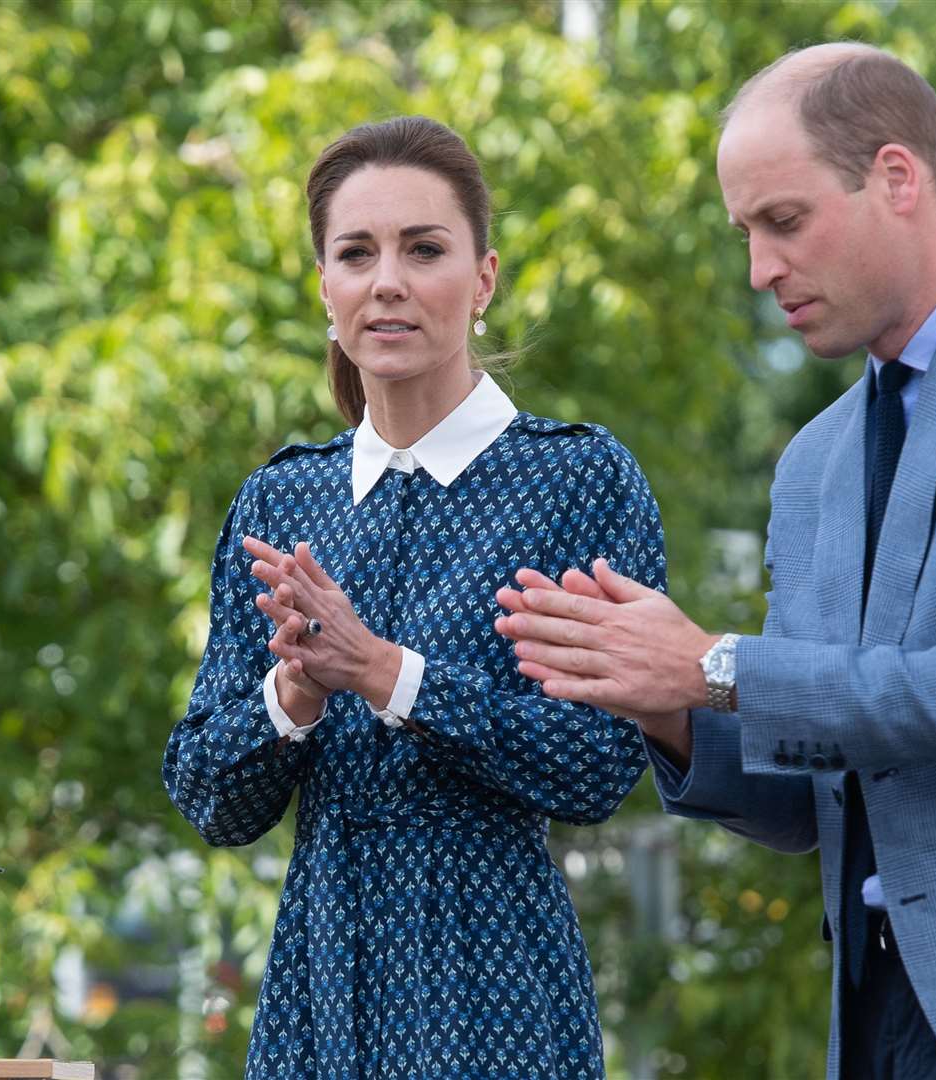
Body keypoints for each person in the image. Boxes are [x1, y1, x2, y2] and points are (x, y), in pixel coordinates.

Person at [495, 43, 936, 1080]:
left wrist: (715, 666)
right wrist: (657, 701)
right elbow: (820, 799)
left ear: (897, 177)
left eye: (784, 222)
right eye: (745, 233)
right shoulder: (815, 461)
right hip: (873, 1018)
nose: (760, 271)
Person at [163, 115, 666, 1078]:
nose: (386, 280)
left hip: (497, 992)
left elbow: (602, 769)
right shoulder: (282, 498)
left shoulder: (577, 481)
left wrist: (390, 675)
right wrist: (295, 699)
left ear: (483, 280)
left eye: (423, 249)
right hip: (318, 988)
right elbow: (208, 796)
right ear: (326, 290)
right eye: (356, 253)